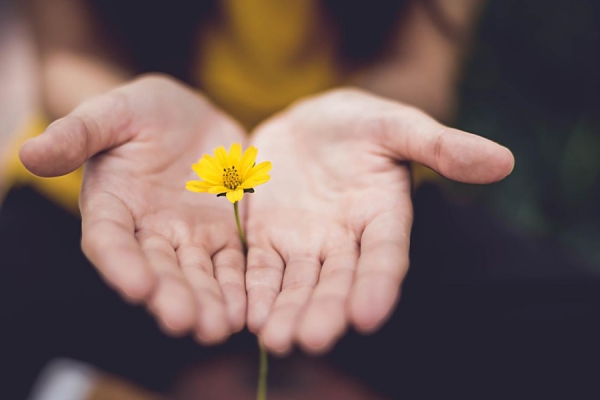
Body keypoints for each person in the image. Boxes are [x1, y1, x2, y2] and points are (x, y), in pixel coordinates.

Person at [2, 1, 513, 393]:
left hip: (350, 195)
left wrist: (369, 113)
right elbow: (67, 55)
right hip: (126, 191)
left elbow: (421, 68)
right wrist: (110, 114)